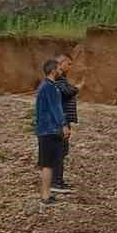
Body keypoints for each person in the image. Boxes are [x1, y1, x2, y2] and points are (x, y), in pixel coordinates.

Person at [34, 58, 70, 204]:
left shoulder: (45, 86)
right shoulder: (50, 87)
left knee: (48, 163)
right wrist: (63, 125)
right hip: (49, 130)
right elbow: (56, 108)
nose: (61, 71)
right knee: (47, 164)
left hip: (45, 130)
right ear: (53, 70)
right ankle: (45, 196)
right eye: (59, 69)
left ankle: (47, 193)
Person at [51, 53, 79, 190]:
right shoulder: (58, 78)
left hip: (61, 120)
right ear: (60, 63)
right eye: (68, 63)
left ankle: (57, 181)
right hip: (60, 120)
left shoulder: (58, 78)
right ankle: (56, 182)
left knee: (61, 151)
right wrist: (78, 87)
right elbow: (67, 92)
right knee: (60, 151)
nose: (70, 67)